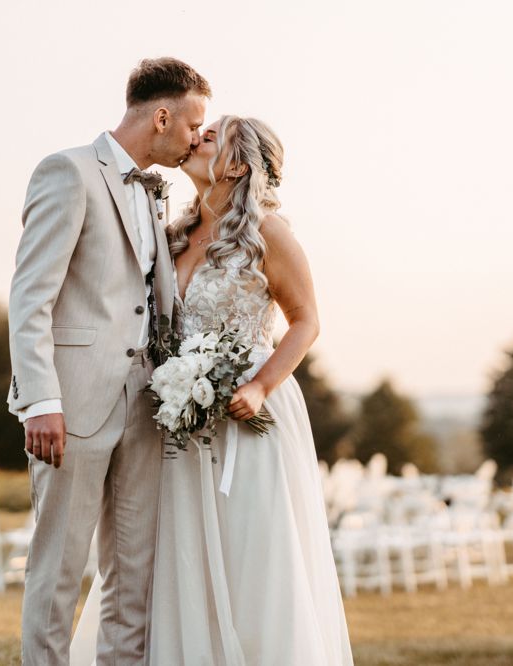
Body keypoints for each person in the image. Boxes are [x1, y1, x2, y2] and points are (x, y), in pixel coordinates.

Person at [70, 115, 354, 665]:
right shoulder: (173, 233)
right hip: (177, 417)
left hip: (246, 414)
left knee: (248, 554)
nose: (197, 137)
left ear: (239, 163)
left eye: (211, 135)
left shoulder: (268, 232)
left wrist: (262, 386)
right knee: (174, 551)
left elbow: (305, 321)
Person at [7, 57, 210, 666]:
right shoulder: (67, 172)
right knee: (61, 573)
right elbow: (30, 296)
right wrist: (42, 401)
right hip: (71, 409)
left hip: (146, 407)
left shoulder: (155, 194)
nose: (198, 138)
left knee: (134, 576)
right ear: (162, 115)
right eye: (194, 125)